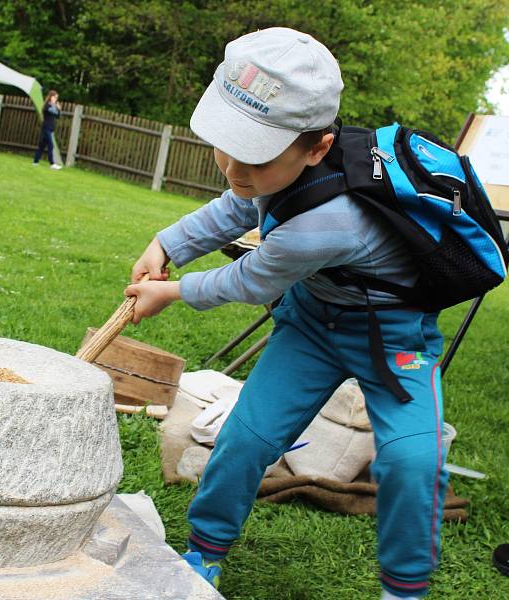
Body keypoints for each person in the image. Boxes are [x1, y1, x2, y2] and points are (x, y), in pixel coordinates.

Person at [125, 28, 447, 600]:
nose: (233, 168)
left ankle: (404, 588)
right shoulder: (269, 171)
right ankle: (204, 552)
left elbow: (249, 279)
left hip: (393, 332)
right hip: (313, 323)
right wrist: (166, 244)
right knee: (247, 438)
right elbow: (236, 206)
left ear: (319, 148)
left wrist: (169, 292)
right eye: (228, 146)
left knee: (410, 462)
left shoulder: (332, 222)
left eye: (255, 155)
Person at [33, 90, 62, 169]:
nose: (56, 99)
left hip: (50, 128)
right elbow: (52, 112)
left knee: (42, 146)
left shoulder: (53, 106)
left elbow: (58, 116)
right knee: (51, 145)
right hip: (46, 128)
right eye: (55, 97)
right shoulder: (47, 106)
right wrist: (56, 107)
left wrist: (59, 109)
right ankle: (52, 164)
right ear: (51, 97)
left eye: (57, 98)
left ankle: (35, 162)